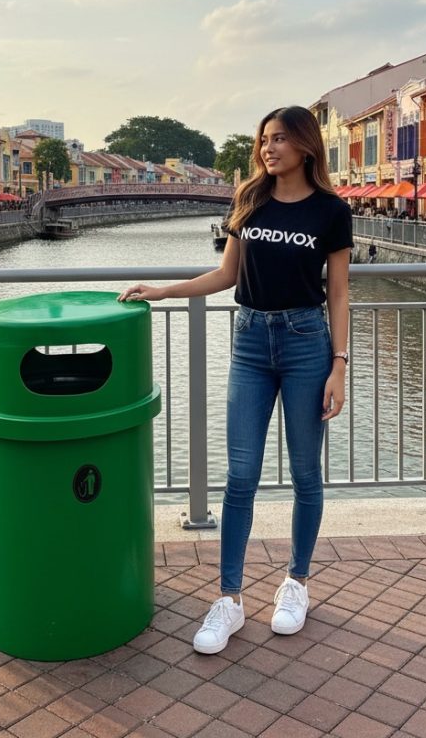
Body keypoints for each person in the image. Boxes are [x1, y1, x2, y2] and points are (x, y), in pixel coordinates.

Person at [119, 106, 351, 654]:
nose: (269, 149)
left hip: (306, 345)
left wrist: (340, 364)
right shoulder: (250, 199)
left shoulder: (331, 211)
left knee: (304, 473)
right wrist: (162, 291)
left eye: (280, 140)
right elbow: (226, 274)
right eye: (264, 140)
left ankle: (296, 583)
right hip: (249, 343)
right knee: (240, 474)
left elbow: (338, 293)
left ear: (306, 147)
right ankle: (229, 598)